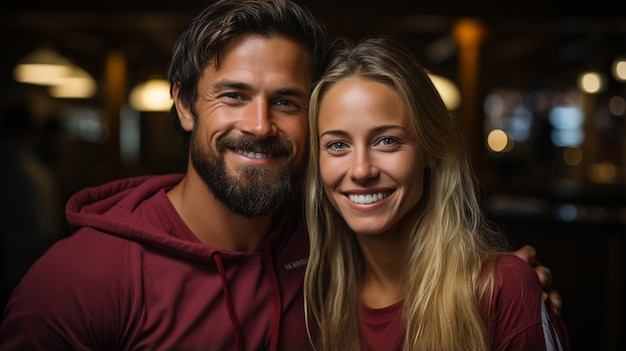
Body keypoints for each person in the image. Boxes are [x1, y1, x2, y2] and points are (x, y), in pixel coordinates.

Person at [0, 1, 561, 350]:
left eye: (287, 101)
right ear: (185, 105)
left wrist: (507, 287)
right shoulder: (81, 280)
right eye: (234, 96)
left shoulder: (325, 246)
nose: (261, 125)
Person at [302, 36, 570, 350]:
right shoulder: (314, 299)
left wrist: (515, 285)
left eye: (387, 141)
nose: (361, 170)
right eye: (337, 145)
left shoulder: (501, 290)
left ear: (431, 150)